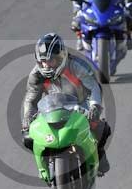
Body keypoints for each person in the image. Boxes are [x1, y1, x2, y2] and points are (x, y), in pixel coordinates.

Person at [22, 33, 111, 177]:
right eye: (42, 61)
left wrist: (94, 107)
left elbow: (94, 87)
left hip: (80, 105)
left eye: (50, 60)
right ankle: (45, 168)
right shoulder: (36, 75)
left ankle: (99, 158)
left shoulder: (77, 66)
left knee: (101, 128)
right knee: (27, 137)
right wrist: (27, 117)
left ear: (61, 56)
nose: (45, 65)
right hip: (51, 109)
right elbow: (31, 99)